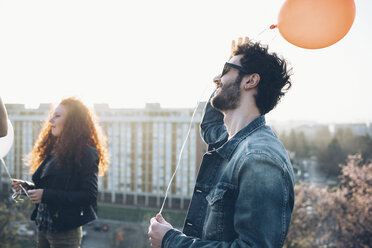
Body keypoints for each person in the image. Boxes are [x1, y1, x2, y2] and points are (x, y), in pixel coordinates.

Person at [148, 40, 295, 247]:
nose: (215, 78)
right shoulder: (232, 143)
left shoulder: (259, 159)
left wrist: (171, 240)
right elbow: (209, 127)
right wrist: (227, 78)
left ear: (251, 80)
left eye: (225, 70)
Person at [12, 97, 109, 248]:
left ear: (73, 122)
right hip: (43, 228)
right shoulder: (54, 150)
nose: (50, 120)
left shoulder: (86, 152)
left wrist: (45, 195)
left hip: (64, 234)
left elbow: (89, 196)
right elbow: (51, 188)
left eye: (57, 116)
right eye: (52, 115)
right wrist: (27, 188)